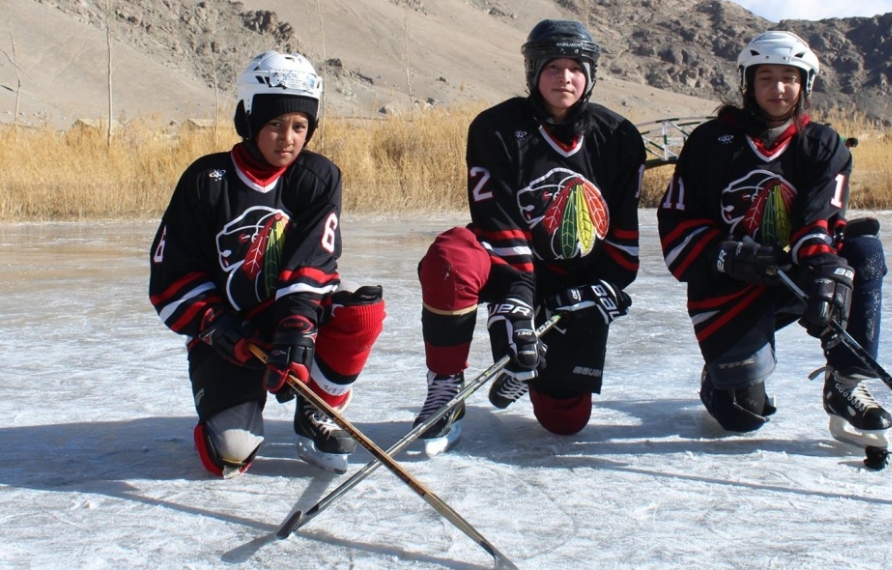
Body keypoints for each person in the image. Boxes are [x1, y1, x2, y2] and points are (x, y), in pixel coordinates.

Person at [655, 31, 892, 460]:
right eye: (766, 77)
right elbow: (677, 223)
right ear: (748, 83)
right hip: (730, 285)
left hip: (791, 275)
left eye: (790, 77)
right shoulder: (711, 142)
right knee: (740, 418)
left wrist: (823, 274)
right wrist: (723, 253)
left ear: (805, 84)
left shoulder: (823, 144)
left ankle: (846, 383)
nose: (778, 88)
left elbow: (817, 221)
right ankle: (723, 374)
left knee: (863, 255)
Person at [412, 19, 645, 453]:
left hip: (576, 275)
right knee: (451, 256)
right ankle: (445, 387)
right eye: (553, 67)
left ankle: (528, 372)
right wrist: (516, 301)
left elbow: (623, 233)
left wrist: (608, 285)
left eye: (576, 67)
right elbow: (494, 215)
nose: (565, 77)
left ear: (590, 75)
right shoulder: (494, 127)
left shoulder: (619, 136)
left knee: (565, 421)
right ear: (533, 71)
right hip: (509, 264)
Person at [148, 51, 386, 478]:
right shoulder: (206, 179)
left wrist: (296, 329)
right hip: (230, 331)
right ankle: (230, 405)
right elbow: (170, 276)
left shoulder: (317, 176)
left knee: (362, 312)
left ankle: (317, 411)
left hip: (291, 319)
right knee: (230, 456)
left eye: (299, 127)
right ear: (249, 120)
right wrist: (218, 327)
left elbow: (314, 257)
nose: (287, 138)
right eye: (274, 124)